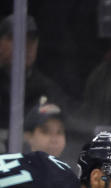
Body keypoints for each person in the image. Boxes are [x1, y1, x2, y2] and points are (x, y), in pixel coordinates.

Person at [0, 14, 72, 149]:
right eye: (16, 39)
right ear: (1, 43)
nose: (26, 47)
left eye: (31, 41)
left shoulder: (49, 90)